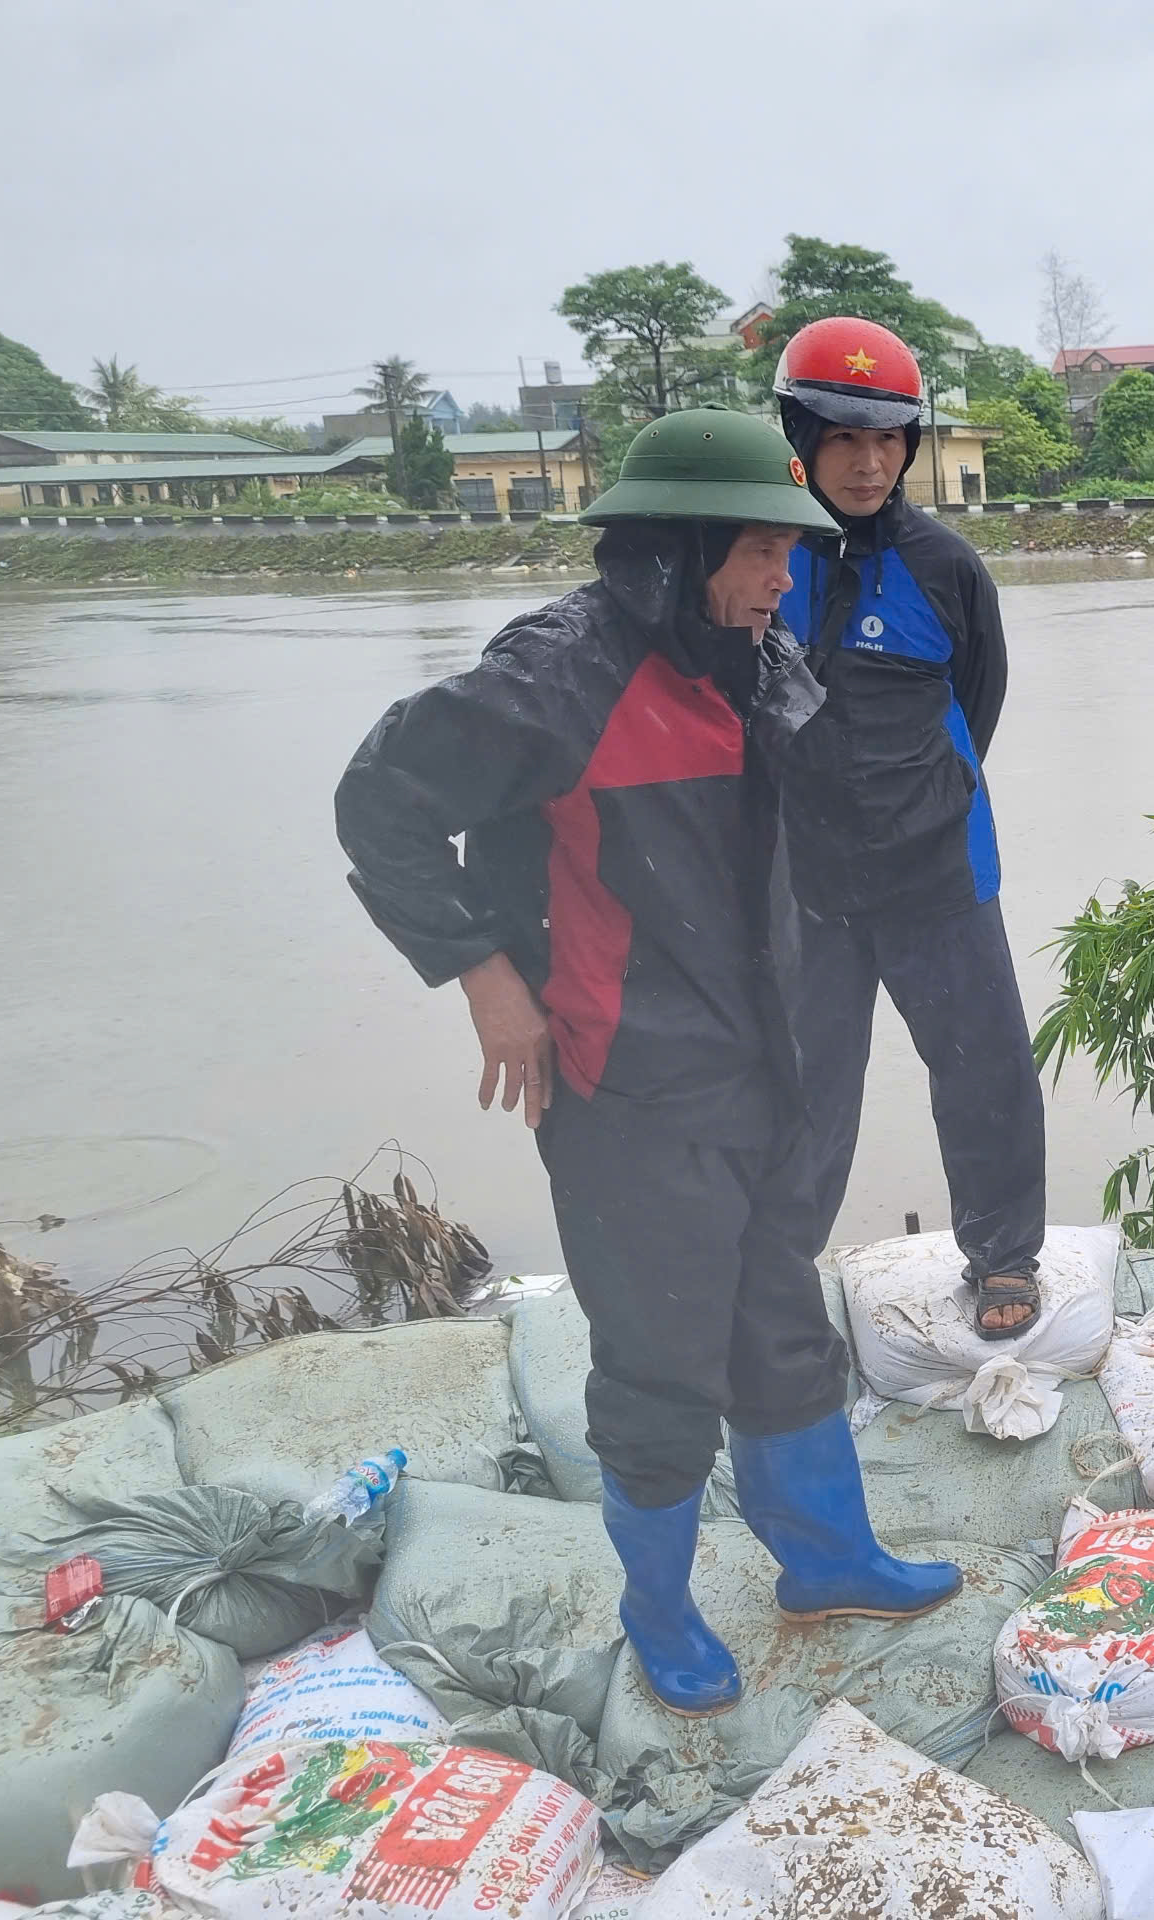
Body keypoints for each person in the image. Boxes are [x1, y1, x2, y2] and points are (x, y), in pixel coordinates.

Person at [335, 409, 961, 1721]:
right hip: (626, 1082)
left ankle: (829, 1563)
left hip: (762, 1066)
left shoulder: (755, 657)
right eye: (762, 556)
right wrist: (485, 975)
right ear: (673, 556)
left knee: (784, 1325)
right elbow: (381, 798)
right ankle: (662, 1610)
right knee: (662, 1357)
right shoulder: (556, 678)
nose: (785, 581)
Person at [765, 315, 1048, 1338]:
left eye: (888, 437)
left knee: (985, 1077)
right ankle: (776, 1269)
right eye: (845, 436)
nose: (871, 459)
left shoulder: (945, 568)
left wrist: (917, 798)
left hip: (939, 870)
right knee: (799, 1088)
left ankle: (1005, 1260)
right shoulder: (759, 556)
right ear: (799, 434)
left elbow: (980, 702)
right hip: (803, 881)